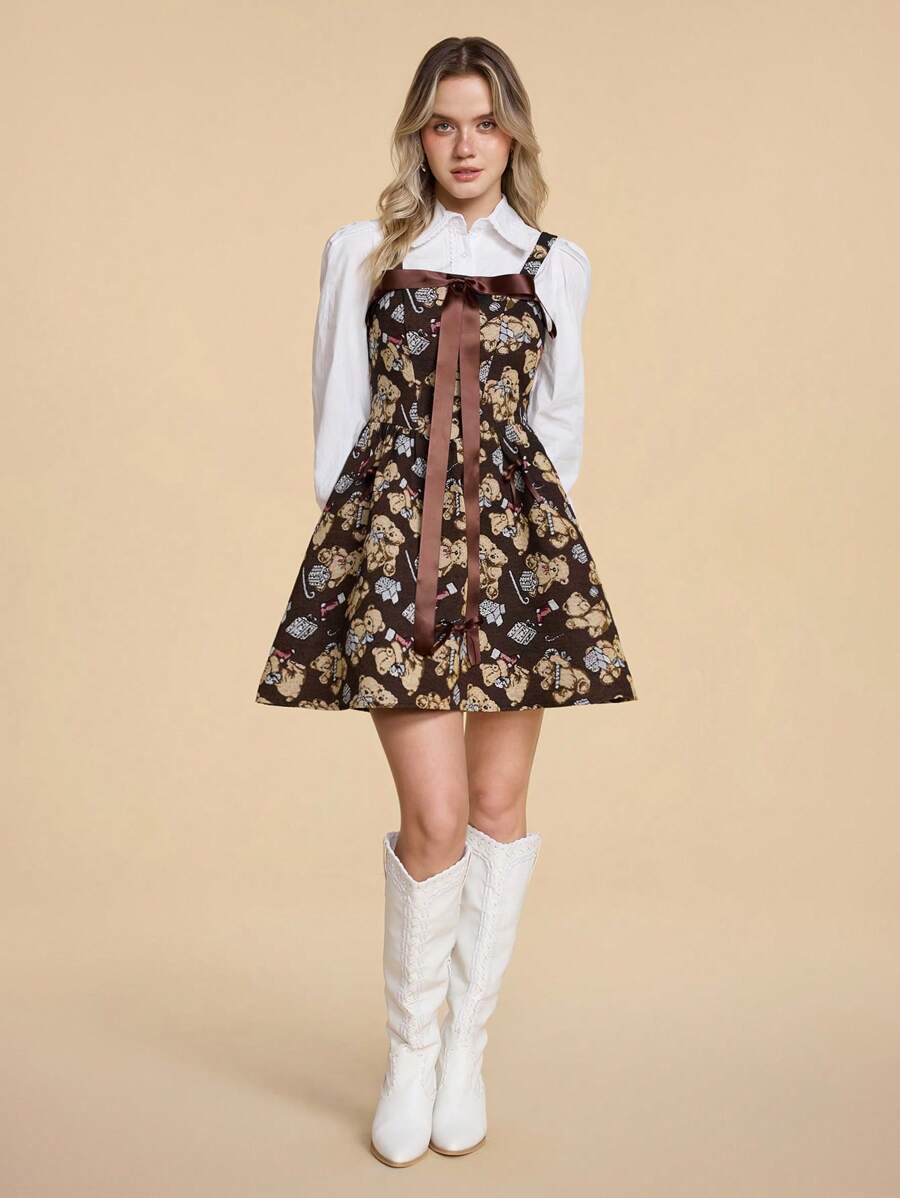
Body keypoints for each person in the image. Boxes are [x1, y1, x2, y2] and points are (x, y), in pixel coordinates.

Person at [255, 36, 637, 1167]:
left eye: (483, 123)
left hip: (517, 553)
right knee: (433, 818)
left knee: (498, 801)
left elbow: (559, 432)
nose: (464, 146)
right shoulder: (362, 252)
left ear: (512, 135)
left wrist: (520, 550)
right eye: (441, 123)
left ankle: (465, 1051)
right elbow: (338, 427)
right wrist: (374, 562)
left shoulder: (558, 264)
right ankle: (410, 1056)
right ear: (416, 136)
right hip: (397, 552)